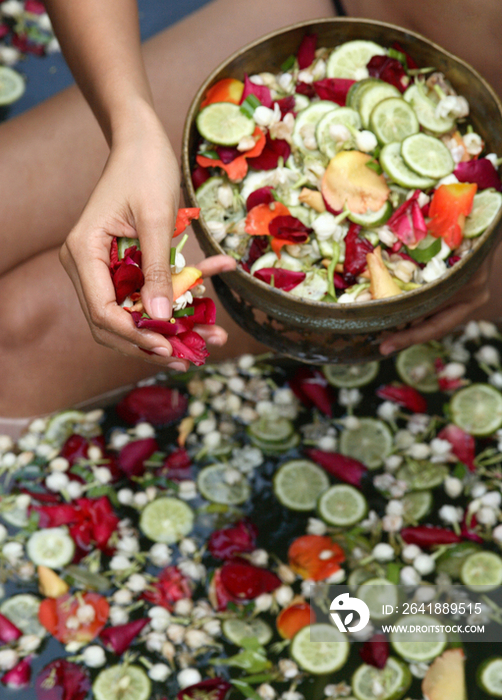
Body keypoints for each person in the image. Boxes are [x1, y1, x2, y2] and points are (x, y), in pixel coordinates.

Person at [0, 0, 501, 424]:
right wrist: (131, 125)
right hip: (326, 23)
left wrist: (483, 247)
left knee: (23, 333)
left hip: (479, 187)